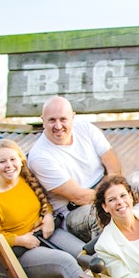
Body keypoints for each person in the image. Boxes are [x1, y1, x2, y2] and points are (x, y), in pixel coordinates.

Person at [0, 139, 84, 278]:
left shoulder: (24, 178)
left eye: (13, 159)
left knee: (85, 255)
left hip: (45, 233)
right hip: (21, 253)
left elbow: (43, 201)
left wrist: (48, 216)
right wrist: (18, 240)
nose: (9, 165)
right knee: (66, 261)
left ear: (21, 160)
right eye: (2, 162)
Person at [27, 96, 126, 243]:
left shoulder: (85, 127)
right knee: (99, 214)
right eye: (52, 120)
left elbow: (114, 167)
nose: (58, 126)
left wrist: (115, 195)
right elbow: (78, 197)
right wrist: (112, 197)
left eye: (63, 119)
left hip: (109, 191)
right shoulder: (39, 156)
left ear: (73, 117)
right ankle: (110, 262)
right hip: (75, 212)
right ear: (43, 120)